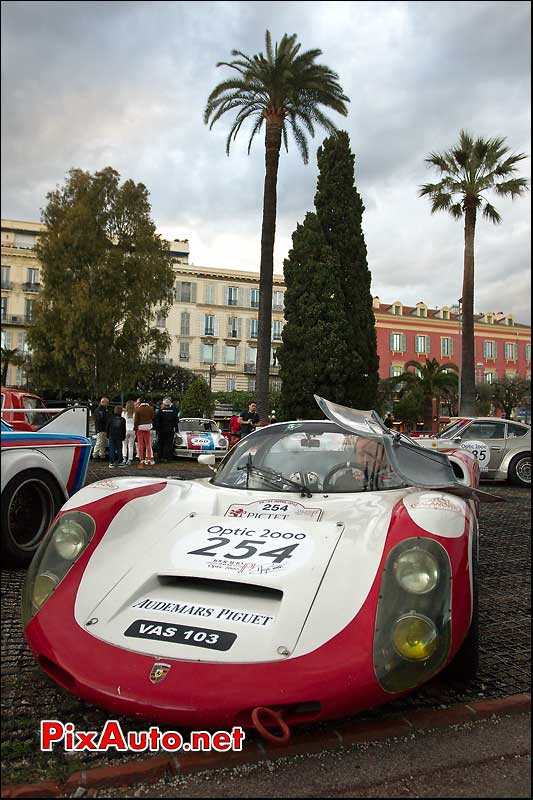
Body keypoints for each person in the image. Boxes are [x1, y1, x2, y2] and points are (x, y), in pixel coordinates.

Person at [154, 397, 179, 462]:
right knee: (169, 444)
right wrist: (176, 429)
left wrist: (157, 429)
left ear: (164, 404)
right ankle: (167, 457)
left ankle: (160, 457)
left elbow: (157, 421)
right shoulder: (174, 411)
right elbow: (176, 421)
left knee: (161, 443)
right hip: (170, 430)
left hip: (161, 430)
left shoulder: (160, 411)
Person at [134, 398, 155, 467]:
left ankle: (141, 459)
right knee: (148, 443)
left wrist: (135, 428)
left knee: (140, 443)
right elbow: (152, 417)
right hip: (148, 426)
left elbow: (136, 420)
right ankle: (148, 459)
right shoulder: (151, 408)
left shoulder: (138, 409)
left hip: (140, 427)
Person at [122, 399, 136, 465]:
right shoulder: (135, 413)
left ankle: (124, 458)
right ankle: (130, 459)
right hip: (132, 430)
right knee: (131, 445)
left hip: (125, 429)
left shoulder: (124, 413)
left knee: (124, 445)